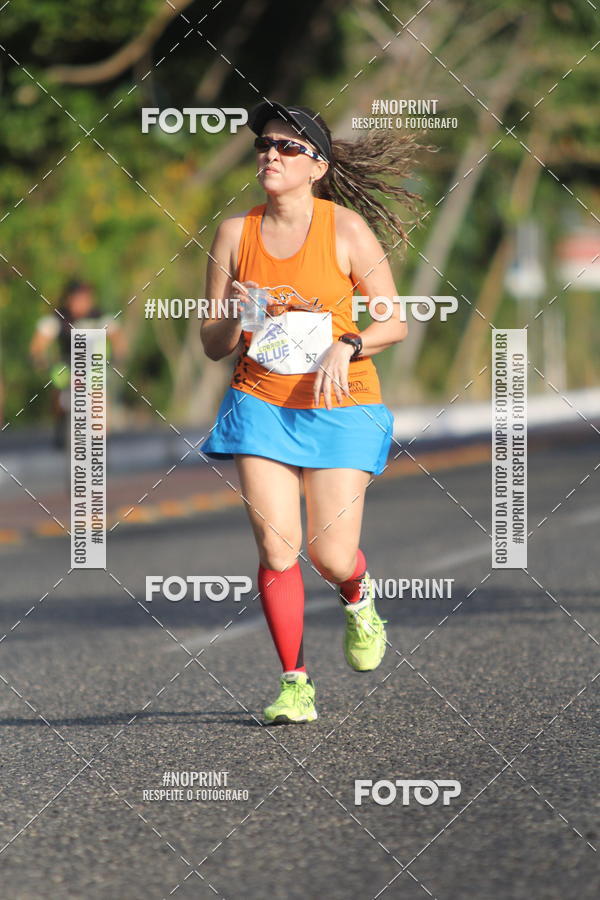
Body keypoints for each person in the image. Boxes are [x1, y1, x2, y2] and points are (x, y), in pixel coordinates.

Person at [200, 102, 426, 724]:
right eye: (264, 144)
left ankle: (357, 594)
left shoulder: (345, 230)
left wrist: (348, 341)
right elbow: (212, 344)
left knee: (329, 556)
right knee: (278, 549)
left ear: (317, 166)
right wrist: (240, 319)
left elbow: (394, 322)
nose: (271, 153)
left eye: (288, 147)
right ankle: (294, 683)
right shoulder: (233, 234)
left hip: (340, 402)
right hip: (261, 401)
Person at [30, 279, 125, 448]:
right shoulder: (58, 318)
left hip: (93, 366)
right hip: (66, 365)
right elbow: (39, 343)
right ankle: (61, 422)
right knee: (58, 385)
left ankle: (101, 437)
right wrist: (38, 357)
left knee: (99, 398)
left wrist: (118, 355)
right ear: (69, 298)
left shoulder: (100, 316)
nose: (81, 302)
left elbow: (117, 338)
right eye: (77, 298)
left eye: (85, 298)